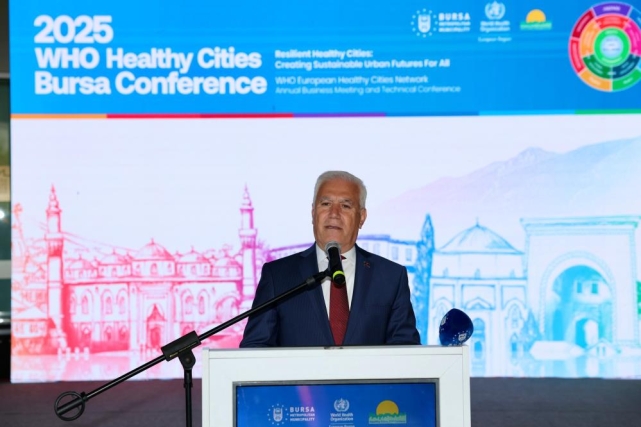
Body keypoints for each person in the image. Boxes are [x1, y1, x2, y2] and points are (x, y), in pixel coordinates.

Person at [239, 170, 420, 347]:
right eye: (325, 204)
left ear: (362, 217)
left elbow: (406, 351)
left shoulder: (390, 277)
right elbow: (255, 348)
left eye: (345, 206)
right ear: (313, 212)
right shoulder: (277, 276)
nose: (334, 213)